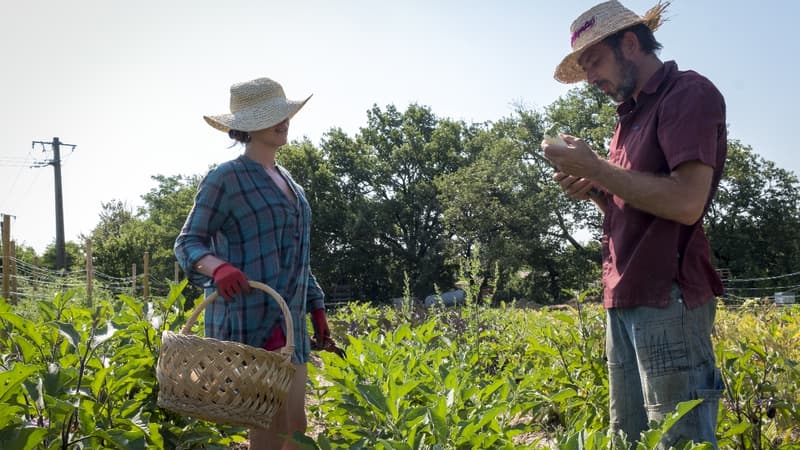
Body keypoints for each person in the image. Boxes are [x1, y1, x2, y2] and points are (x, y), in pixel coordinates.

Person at [542, 1, 726, 448]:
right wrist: (597, 191)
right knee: (629, 439)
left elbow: (686, 203)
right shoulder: (628, 119)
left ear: (629, 43)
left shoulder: (687, 94)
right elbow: (636, 211)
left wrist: (600, 170)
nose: (590, 78)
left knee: (678, 440)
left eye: (595, 62)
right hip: (623, 296)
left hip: (668, 298)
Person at [174, 77, 337, 450]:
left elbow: (299, 258)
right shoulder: (226, 178)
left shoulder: (291, 184)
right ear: (247, 126)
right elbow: (188, 242)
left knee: (296, 425)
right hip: (251, 318)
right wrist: (218, 267)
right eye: (271, 117)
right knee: (268, 425)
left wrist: (317, 308)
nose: (284, 122)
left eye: (284, 114)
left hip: (290, 320)